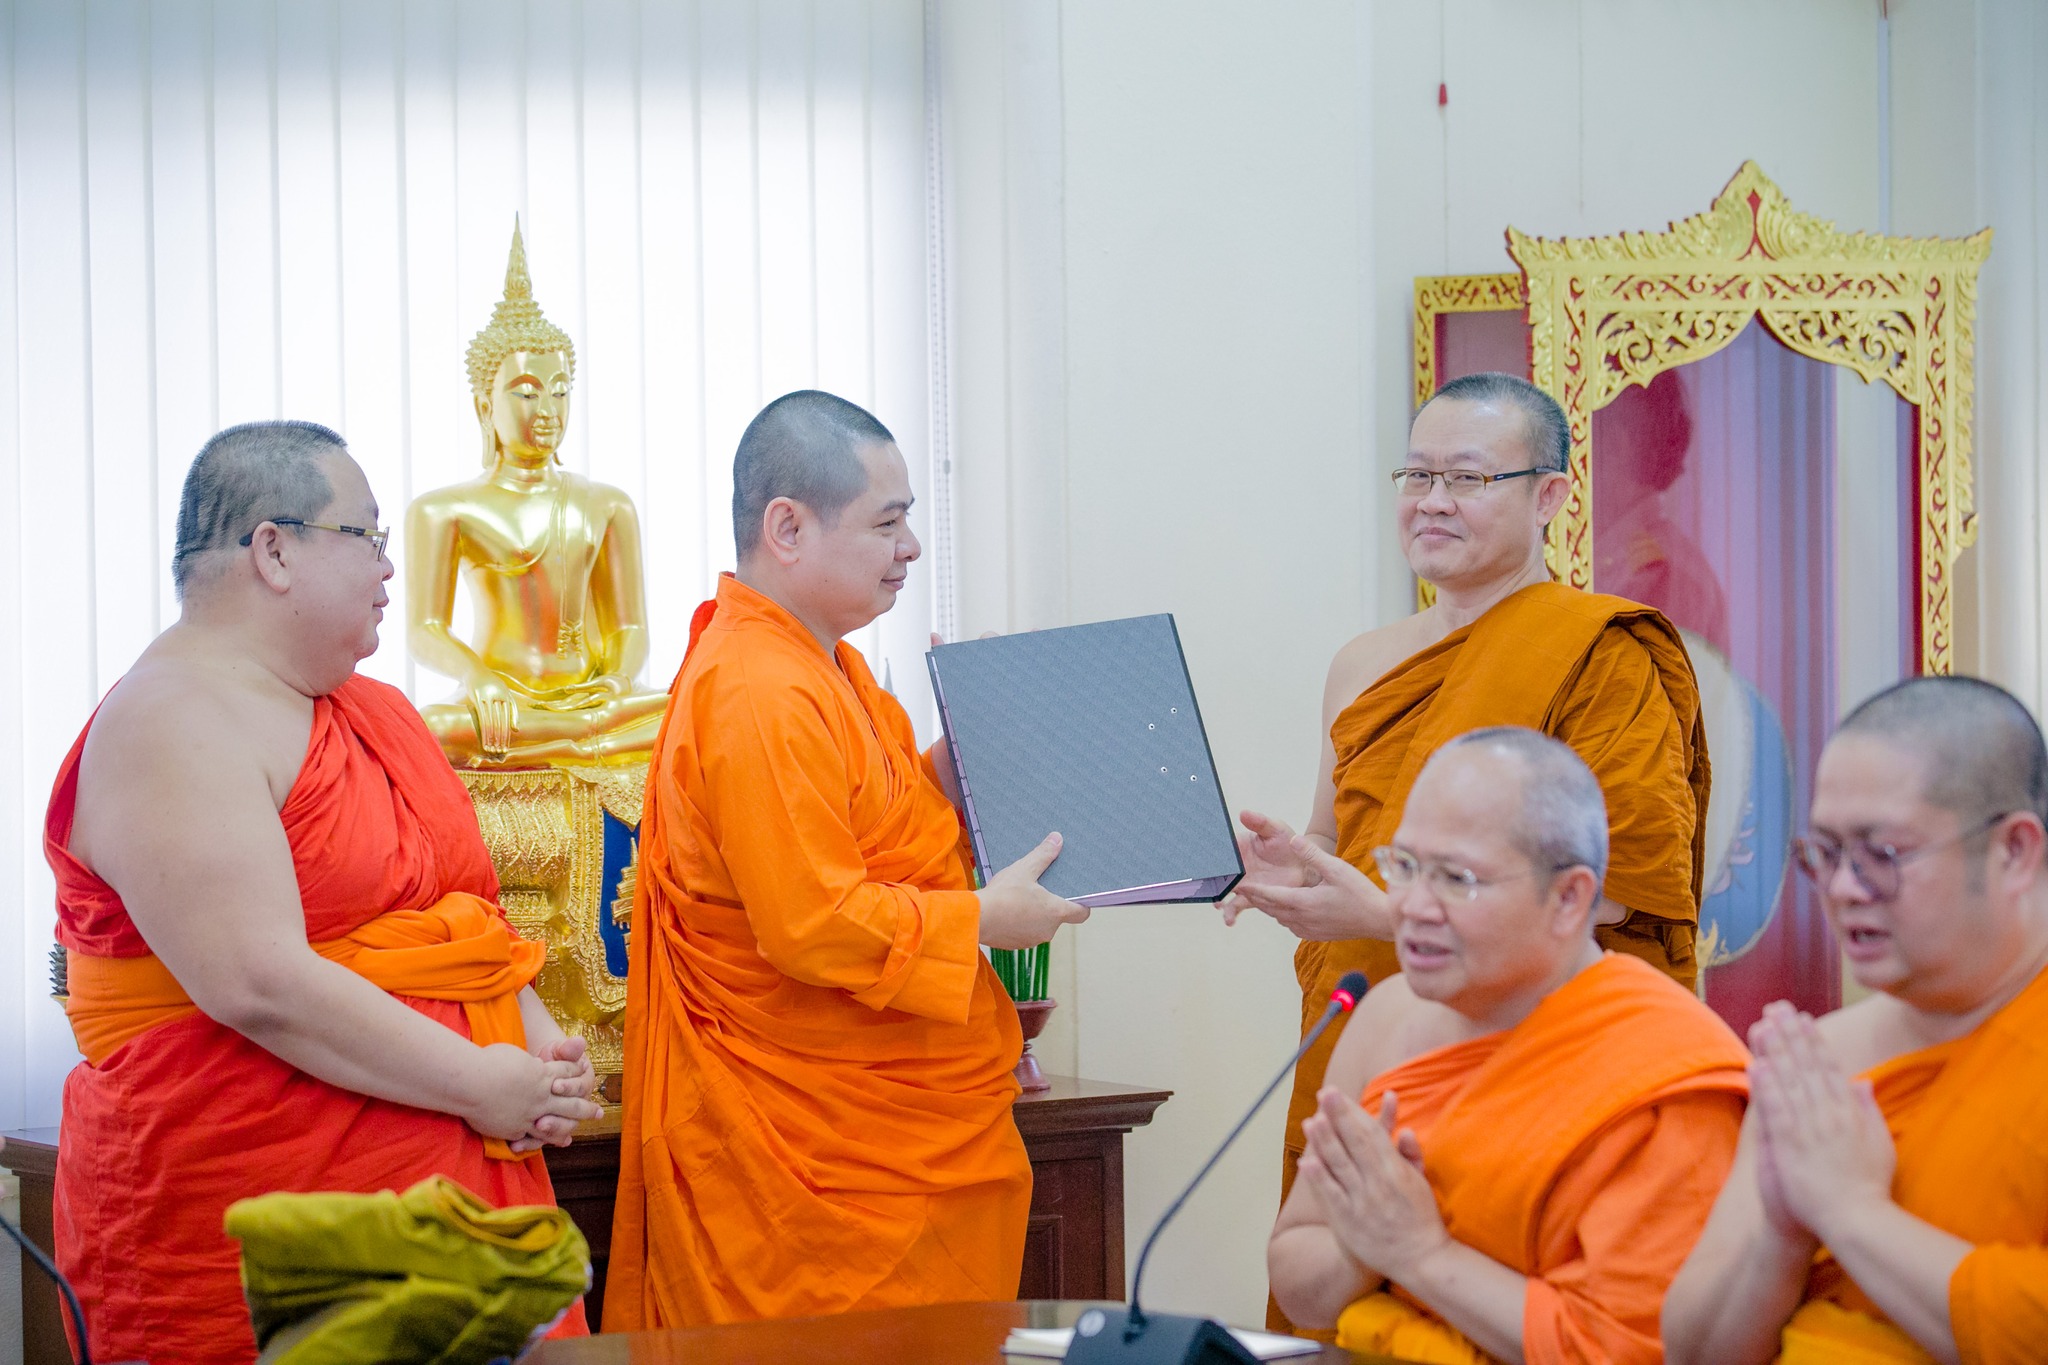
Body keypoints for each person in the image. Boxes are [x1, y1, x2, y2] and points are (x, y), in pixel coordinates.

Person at [46, 420, 603, 1365]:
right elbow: (257, 982)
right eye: (367, 536)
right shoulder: (172, 717)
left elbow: (469, 920)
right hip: (268, 1217)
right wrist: (481, 1082)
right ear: (274, 550)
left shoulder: (376, 712)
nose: (390, 568)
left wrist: (538, 1047)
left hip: (456, 1194)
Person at [1221, 372, 1709, 1327]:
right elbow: (1336, 835)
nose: (1433, 500)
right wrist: (1291, 866)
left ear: (1550, 495)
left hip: (1521, 1045)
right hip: (1369, 1024)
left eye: (1469, 478)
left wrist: (1383, 911)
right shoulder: (1363, 661)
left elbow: (1624, 887)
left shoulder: (1600, 654)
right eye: (1417, 474)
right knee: (1335, 1284)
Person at [604, 390, 1089, 1327]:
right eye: (887, 523)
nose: (911, 547)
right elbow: (812, 922)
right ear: (787, 527)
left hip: (882, 1131)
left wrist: (972, 745)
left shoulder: (826, 668)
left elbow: (886, 825)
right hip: (810, 1167)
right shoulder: (757, 688)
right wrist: (982, 919)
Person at [1267, 727, 1747, 1363]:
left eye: (1457, 878)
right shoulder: (1386, 1017)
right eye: (1403, 867)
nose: (1413, 907)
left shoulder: (1663, 1069)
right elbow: (1296, 1275)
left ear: (1569, 897)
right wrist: (1365, 1245)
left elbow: (1624, 1350)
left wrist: (1420, 1253)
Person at [1664, 676, 2048, 1363]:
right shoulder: (1824, 1065)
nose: (1843, 888)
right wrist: (1783, 1234)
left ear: (2013, 851)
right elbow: (1692, 1352)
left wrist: (1850, 1211)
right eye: (1827, 853)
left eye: (1884, 854)